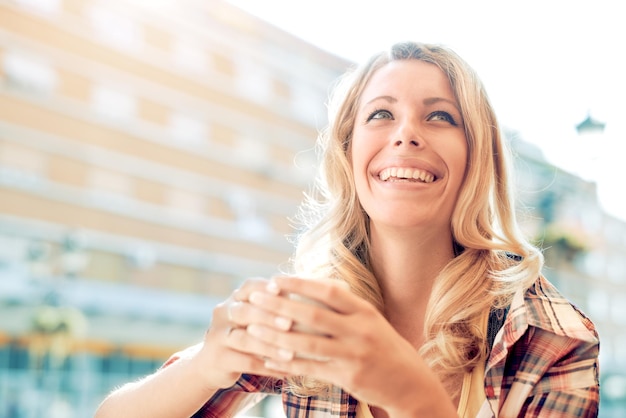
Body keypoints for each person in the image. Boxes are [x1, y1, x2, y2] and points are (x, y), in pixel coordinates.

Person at [94, 41, 600, 418]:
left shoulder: (548, 333)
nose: (406, 133)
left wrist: (412, 397)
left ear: (476, 158)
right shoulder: (311, 312)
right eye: (381, 114)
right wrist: (206, 365)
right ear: (348, 152)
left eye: (440, 116)